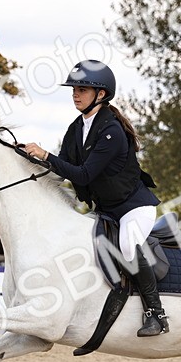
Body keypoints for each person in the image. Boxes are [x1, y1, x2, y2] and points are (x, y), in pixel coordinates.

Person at [21, 60, 167, 337]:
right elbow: (62, 167)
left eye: (83, 89)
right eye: (74, 89)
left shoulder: (111, 131)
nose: (76, 94)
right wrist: (29, 162)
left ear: (100, 94)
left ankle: (156, 314)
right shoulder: (76, 128)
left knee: (127, 246)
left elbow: (84, 175)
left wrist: (45, 155)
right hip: (105, 211)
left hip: (134, 209)